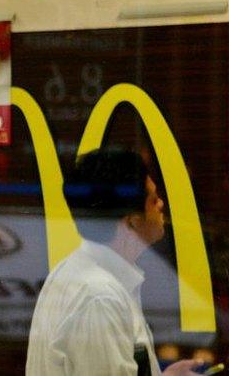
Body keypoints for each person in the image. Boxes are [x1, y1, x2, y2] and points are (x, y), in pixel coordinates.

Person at [26, 148, 203, 376]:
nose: (161, 205)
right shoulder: (99, 297)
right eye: (153, 199)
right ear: (132, 221)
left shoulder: (84, 275)